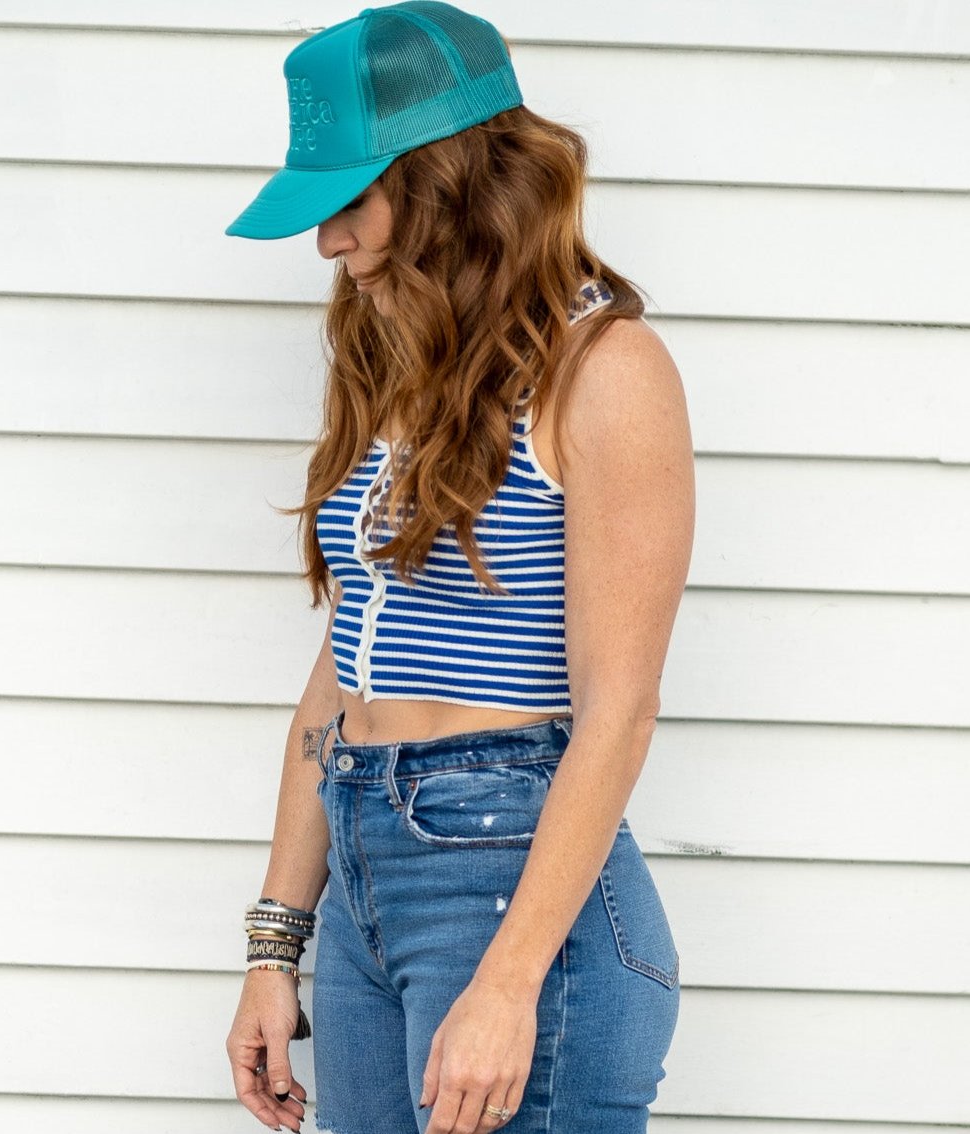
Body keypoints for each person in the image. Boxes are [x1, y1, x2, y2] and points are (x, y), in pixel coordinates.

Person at [224, 4, 695, 1132]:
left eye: (349, 202)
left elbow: (619, 712)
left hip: (513, 891)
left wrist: (510, 979)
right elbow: (344, 669)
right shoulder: (408, 368)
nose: (328, 242)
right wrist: (274, 942)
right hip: (365, 882)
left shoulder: (605, 371)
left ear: (447, 182)